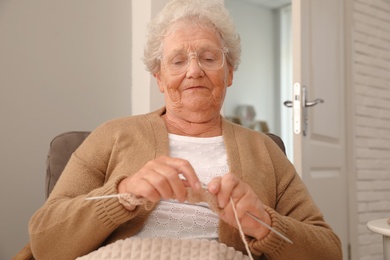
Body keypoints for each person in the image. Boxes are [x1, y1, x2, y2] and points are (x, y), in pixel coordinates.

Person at [15, 0, 342, 259]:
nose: (194, 71)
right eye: (177, 61)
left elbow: (328, 251)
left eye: (209, 58)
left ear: (229, 73)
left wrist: (265, 223)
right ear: (159, 77)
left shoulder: (263, 150)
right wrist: (125, 193)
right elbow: (45, 241)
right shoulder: (112, 135)